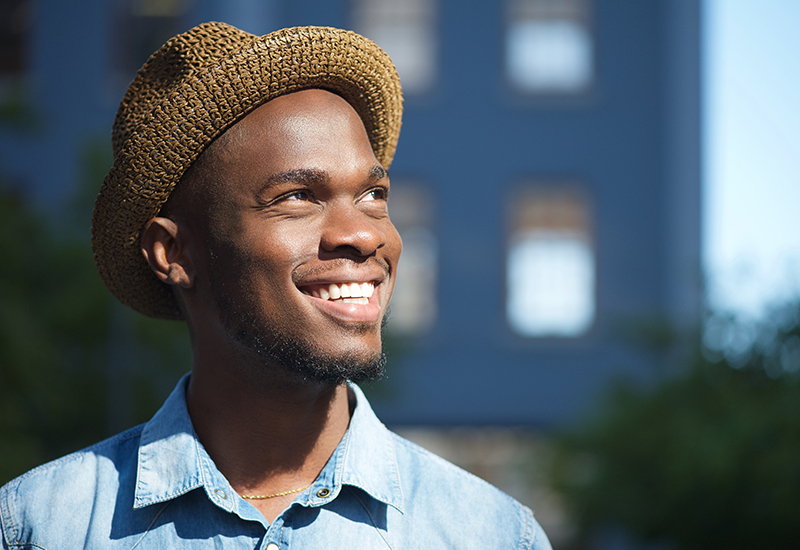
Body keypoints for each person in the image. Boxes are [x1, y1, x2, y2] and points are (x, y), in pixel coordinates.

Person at [0, 22, 552, 549]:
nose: (363, 234)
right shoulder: (41, 528)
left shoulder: (493, 535)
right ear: (175, 253)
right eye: (297, 197)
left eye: (374, 195)